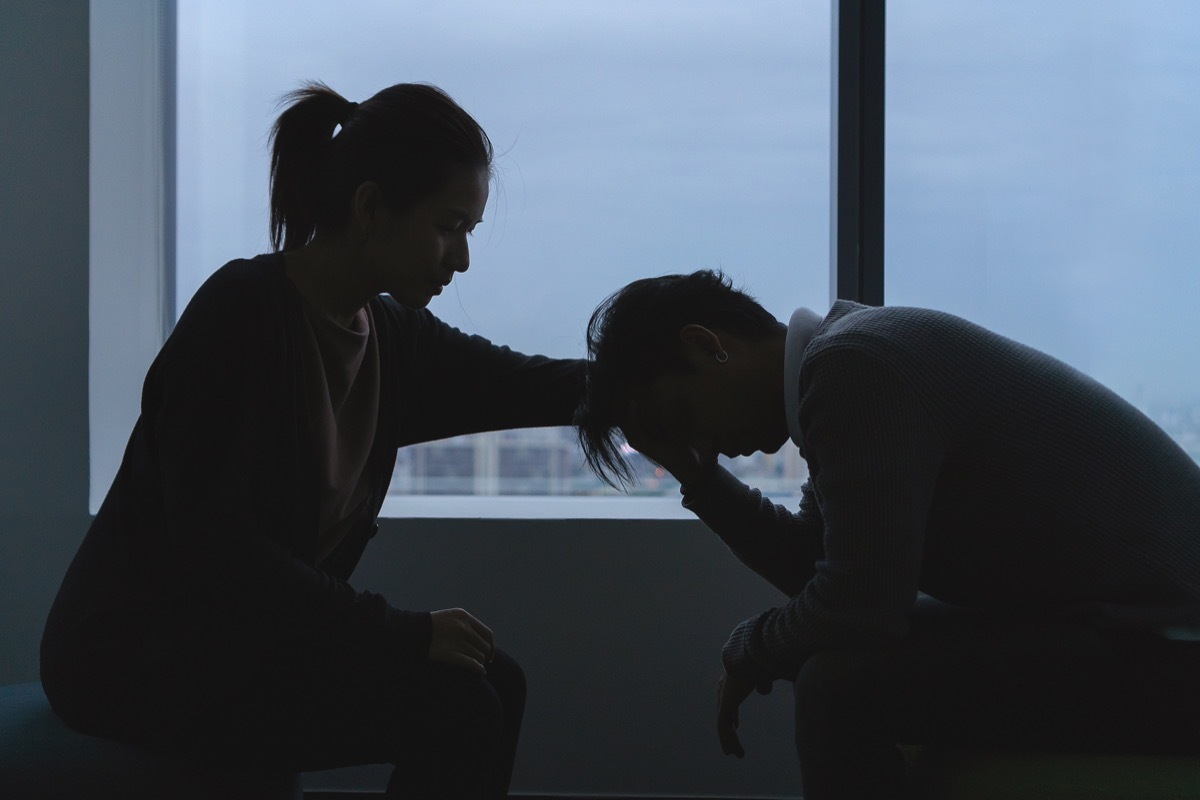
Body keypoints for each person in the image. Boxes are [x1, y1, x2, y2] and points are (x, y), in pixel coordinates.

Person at [41, 82, 584, 798]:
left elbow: (527, 383)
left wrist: (653, 384)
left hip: (239, 641)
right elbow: (222, 554)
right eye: (451, 227)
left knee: (492, 680)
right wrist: (404, 632)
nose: (461, 260)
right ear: (368, 208)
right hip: (136, 655)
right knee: (457, 705)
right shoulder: (241, 315)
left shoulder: (388, 336)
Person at [574, 269, 1200, 800]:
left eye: (684, 419)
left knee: (837, 686)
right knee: (837, 663)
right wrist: (700, 480)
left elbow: (859, 606)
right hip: (1125, 628)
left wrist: (751, 648)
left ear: (708, 345)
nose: (702, 445)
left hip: (1170, 650)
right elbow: (820, 568)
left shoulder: (855, 367)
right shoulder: (846, 358)